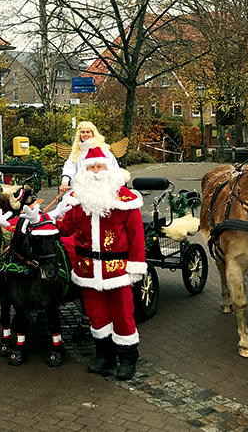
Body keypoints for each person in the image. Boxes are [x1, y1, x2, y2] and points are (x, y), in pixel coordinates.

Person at [51, 147, 146, 380]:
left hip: (118, 270)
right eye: (90, 167)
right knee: (96, 315)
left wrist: (136, 266)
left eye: (99, 166)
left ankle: (127, 359)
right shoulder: (78, 199)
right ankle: (104, 356)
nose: (95, 172)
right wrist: (45, 220)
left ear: (108, 169)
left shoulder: (126, 200)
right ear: (83, 171)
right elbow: (67, 228)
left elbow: (136, 236)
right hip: (87, 270)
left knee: (123, 314)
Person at [59, 121, 122, 193]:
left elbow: (112, 167)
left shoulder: (103, 149)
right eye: (82, 132)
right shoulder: (76, 151)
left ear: (93, 134)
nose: (85, 134)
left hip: (102, 189)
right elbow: (70, 167)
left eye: (88, 132)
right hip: (82, 189)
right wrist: (65, 182)